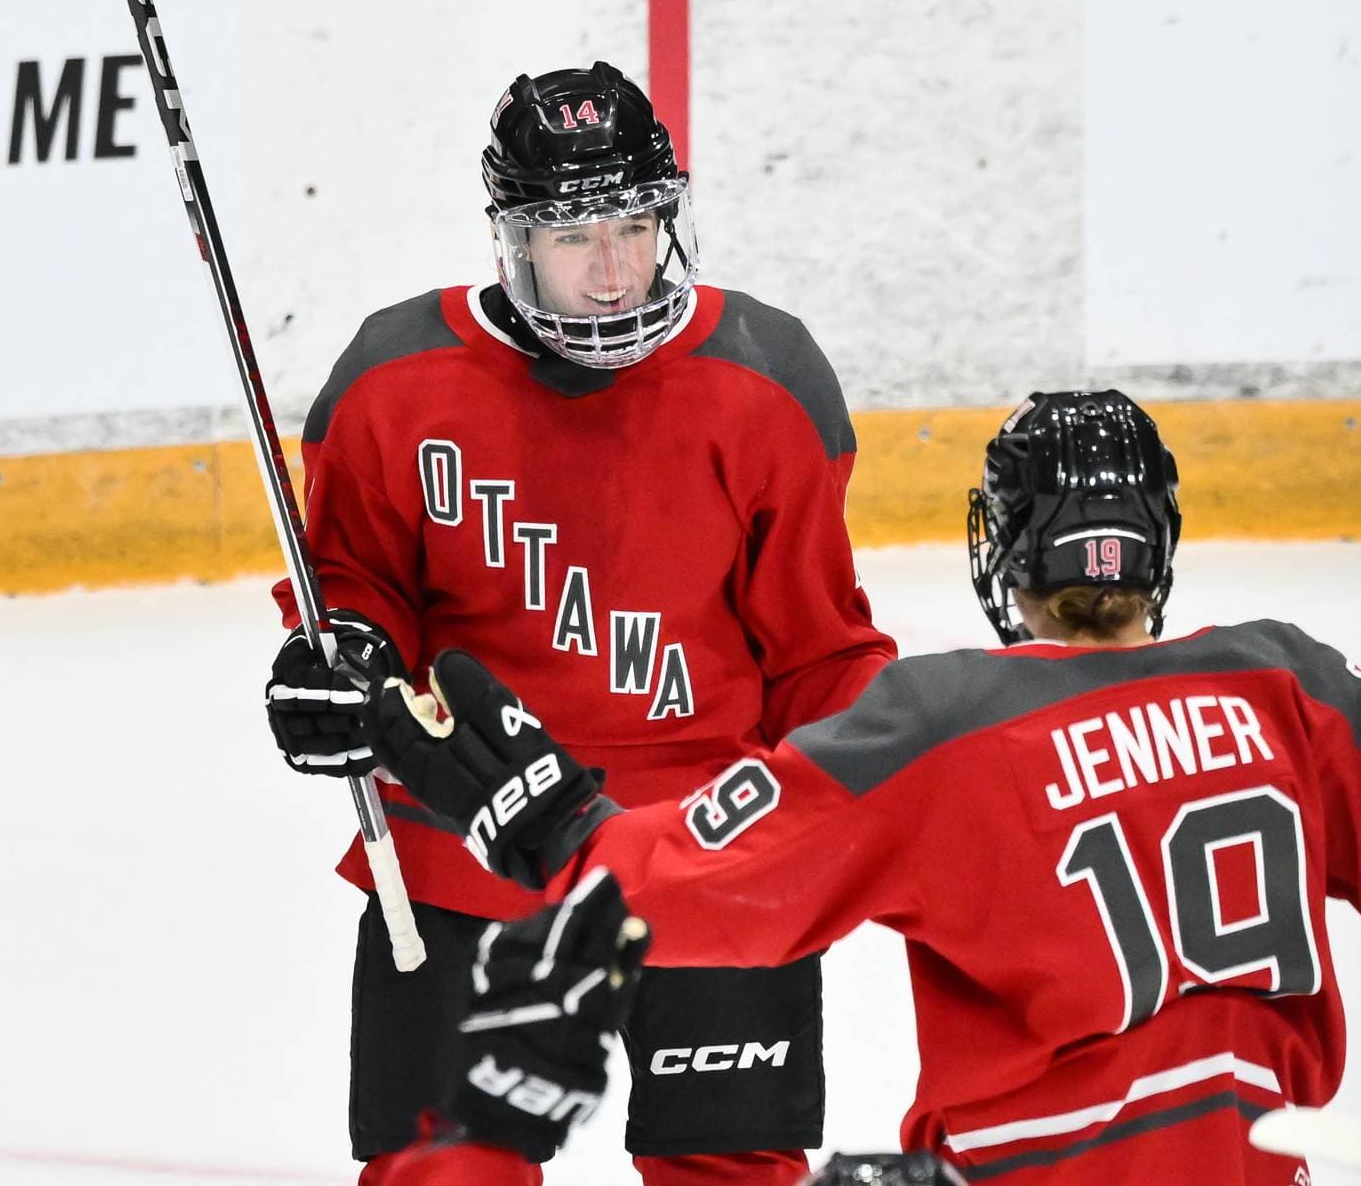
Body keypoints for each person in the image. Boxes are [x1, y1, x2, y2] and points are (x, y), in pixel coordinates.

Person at [347, 389, 1361, 1184]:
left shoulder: (931, 720)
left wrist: (560, 826)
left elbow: (693, 894)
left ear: (1004, 555)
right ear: (1148, 550)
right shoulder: (1284, 688)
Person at [262, 61, 896, 1186]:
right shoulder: (392, 382)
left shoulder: (767, 377)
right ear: (510, 241)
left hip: (706, 849)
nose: (612, 272)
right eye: (573, 238)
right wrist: (340, 662)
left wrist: (883, 795)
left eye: (634, 226)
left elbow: (817, 647)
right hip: (464, 843)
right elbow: (357, 586)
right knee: (438, 1172)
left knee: (731, 1170)